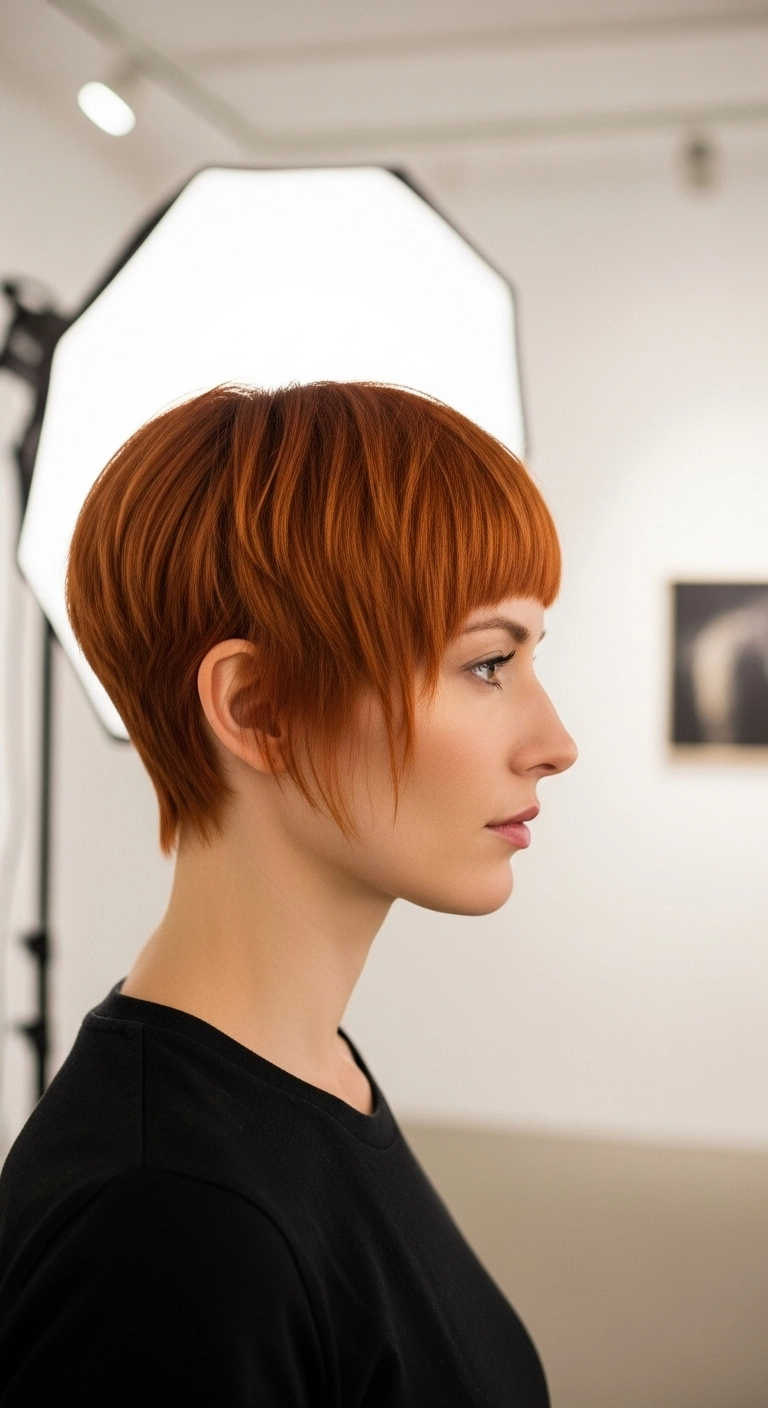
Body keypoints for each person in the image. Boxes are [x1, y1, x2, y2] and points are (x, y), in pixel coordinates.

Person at [0, 382, 576, 1405]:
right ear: (256, 706)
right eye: (489, 662)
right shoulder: (165, 1226)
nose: (555, 744)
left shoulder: (306, 1080)